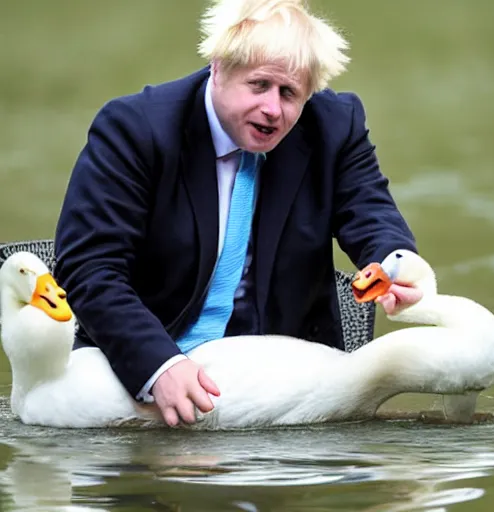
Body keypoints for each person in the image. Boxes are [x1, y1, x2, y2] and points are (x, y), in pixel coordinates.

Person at [54, 0, 422, 427]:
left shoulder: (335, 126)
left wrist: (397, 263)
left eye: (289, 94)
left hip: (282, 383)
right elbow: (88, 268)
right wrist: (158, 367)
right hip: (144, 369)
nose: (273, 109)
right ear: (218, 67)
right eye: (259, 85)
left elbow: (372, 214)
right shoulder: (133, 129)